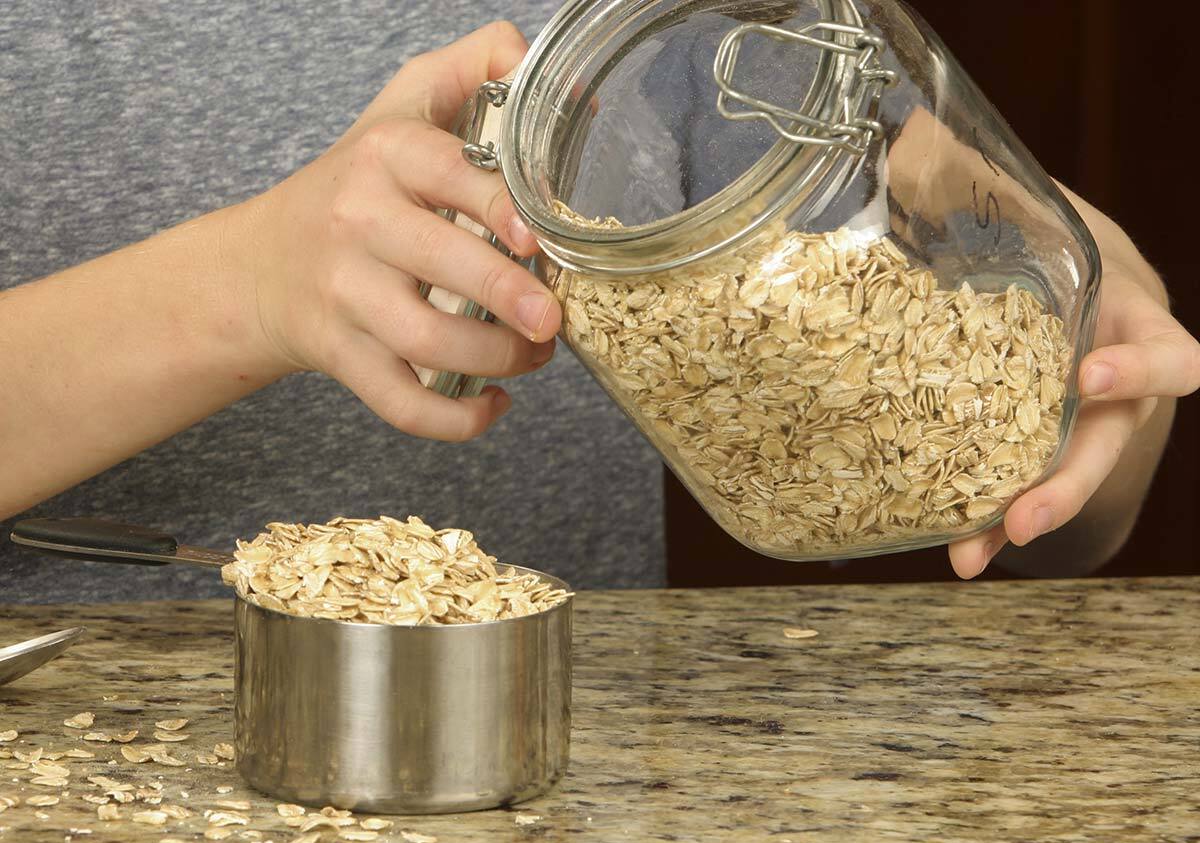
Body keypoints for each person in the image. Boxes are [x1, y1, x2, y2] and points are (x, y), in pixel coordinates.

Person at [1, 4, 1196, 602]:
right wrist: (245, 286)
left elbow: (1060, 514)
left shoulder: (707, 35)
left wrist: (1096, 347)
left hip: (598, 754)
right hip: (96, 762)